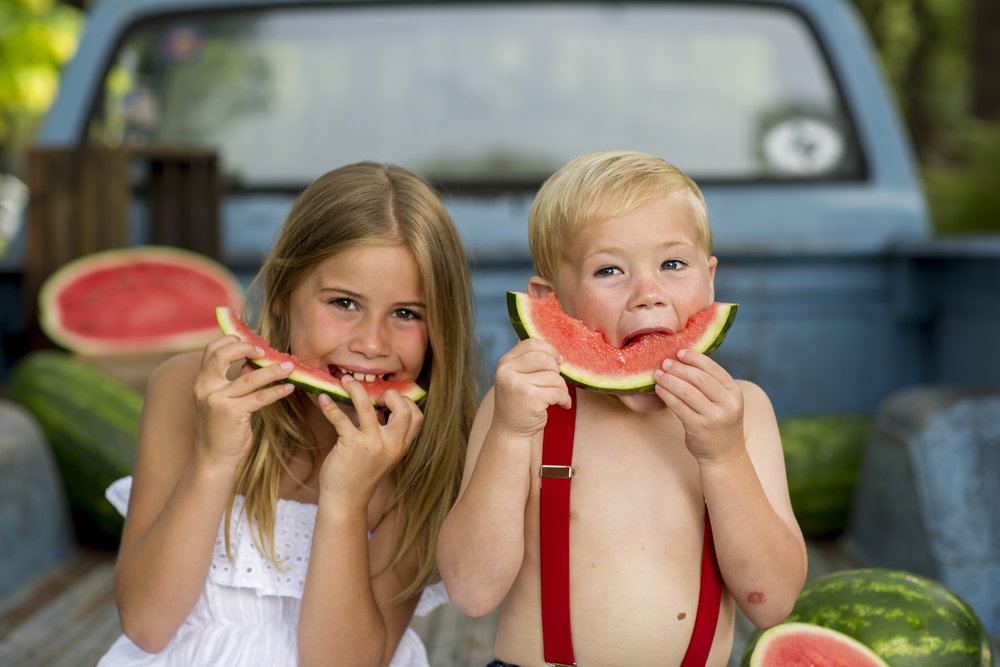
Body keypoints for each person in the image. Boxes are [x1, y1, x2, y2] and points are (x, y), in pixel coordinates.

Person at [97, 162, 478, 667]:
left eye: (406, 313)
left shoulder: (423, 451)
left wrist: (344, 499)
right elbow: (147, 623)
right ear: (281, 293)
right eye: (344, 302)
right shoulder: (187, 391)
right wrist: (214, 459)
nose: (370, 343)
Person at [436, 150, 807, 666]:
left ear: (710, 278)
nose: (647, 294)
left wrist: (724, 457)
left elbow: (771, 601)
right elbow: (472, 591)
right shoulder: (525, 409)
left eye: (673, 264)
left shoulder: (745, 412)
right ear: (550, 302)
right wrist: (509, 434)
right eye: (608, 270)